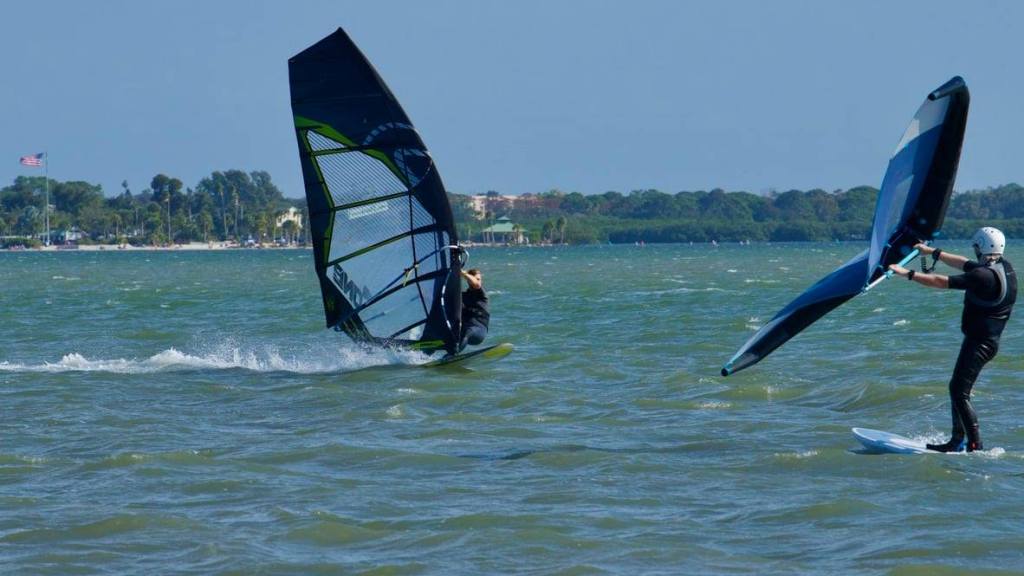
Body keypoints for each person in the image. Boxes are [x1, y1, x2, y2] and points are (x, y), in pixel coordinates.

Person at [888, 227, 1016, 452]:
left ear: (980, 247)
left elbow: (940, 281)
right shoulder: (1004, 267)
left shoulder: (983, 276)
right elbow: (964, 263)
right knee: (956, 389)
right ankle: (957, 440)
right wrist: (932, 252)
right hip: (984, 342)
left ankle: (975, 445)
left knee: (959, 392)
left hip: (980, 344)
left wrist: (906, 273)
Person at [459, 268, 489, 352]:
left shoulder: (482, 294)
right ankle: (426, 354)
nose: (479, 281)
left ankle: (452, 355)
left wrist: (463, 273)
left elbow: (476, 285)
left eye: (479, 279)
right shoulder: (462, 296)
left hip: (479, 331)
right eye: (476, 279)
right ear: (468, 281)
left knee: (468, 332)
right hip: (463, 331)